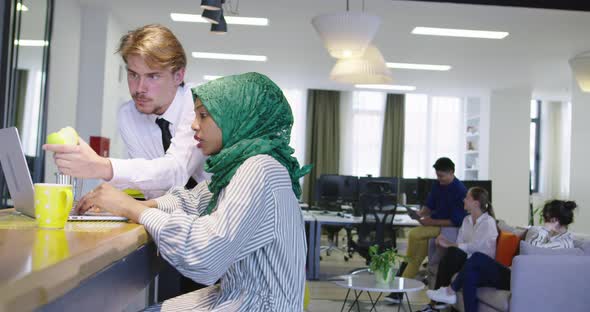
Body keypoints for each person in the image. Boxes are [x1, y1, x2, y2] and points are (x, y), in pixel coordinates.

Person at [76, 72, 311, 311]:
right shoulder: (242, 167)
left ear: (235, 117)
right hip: (241, 299)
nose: (193, 125)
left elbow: (206, 256)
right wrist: (138, 206)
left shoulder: (259, 168)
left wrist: (131, 208)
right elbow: (194, 200)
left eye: (203, 115)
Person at [43, 24, 209, 199]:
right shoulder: (129, 114)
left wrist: (101, 166)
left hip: (216, 214)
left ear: (178, 76)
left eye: (153, 76)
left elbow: (177, 172)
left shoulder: (197, 103)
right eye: (133, 75)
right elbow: (152, 188)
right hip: (170, 213)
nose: (139, 88)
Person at [426, 200, 578, 312]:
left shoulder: (565, 242)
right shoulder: (549, 235)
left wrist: (543, 230)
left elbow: (530, 254)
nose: (543, 223)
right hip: (515, 274)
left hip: (525, 280)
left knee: (477, 258)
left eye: (545, 219)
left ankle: (450, 291)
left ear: (554, 220)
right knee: (471, 272)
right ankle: (451, 293)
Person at [386, 157, 468, 304]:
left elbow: (455, 221)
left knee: (414, 233)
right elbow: (429, 205)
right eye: (437, 175)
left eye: (442, 176)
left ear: (451, 173)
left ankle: (406, 264)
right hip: (434, 225)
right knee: (416, 258)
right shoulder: (438, 185)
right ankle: (397, 293)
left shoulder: (460, 191)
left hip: (448, 228)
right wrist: (420, 214)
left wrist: (431, 221)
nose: (439, 179)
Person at [418, 187, 498, 312]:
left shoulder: (488, 222)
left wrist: (450, 245)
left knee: (453, 252)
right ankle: (437, 302)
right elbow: (461, 244)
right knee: (451, 253)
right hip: (466, 258)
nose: (464, 200)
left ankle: (438, 302)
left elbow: (475, 247)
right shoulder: (466, 220)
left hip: (480, 263)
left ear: (476, 203)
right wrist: (445, 244)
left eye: (467, 198)